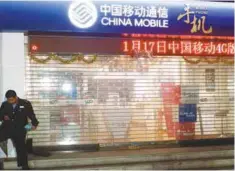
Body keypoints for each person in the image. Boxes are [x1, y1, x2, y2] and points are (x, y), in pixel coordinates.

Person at [0, 90, 39, 170]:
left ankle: (24, 166)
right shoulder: (4, 104)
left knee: (21, 147)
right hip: (7, 127)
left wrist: (34, 124)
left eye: (11, 100)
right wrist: (4, 117)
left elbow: (31, 115)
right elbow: (0, 116)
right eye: (8, 100)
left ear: (16, 97)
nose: (10, 102)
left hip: (20, 128)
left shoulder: (25, 103)